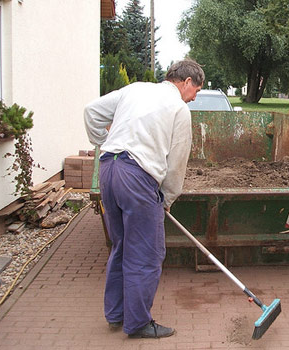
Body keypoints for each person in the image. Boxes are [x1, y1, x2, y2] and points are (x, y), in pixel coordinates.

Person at [84, 59, 204, 338]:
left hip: (108, 169)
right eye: (196, 90)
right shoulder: (178, 108)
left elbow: (91, 112)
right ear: (186, 82)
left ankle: (115, 314)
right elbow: (177, 162)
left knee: (121, 245)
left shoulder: (134, 89)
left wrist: (100, 142)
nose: (194, 97)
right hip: (136, 177)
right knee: (147, 253)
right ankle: (137, 323)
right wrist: (168, 198)